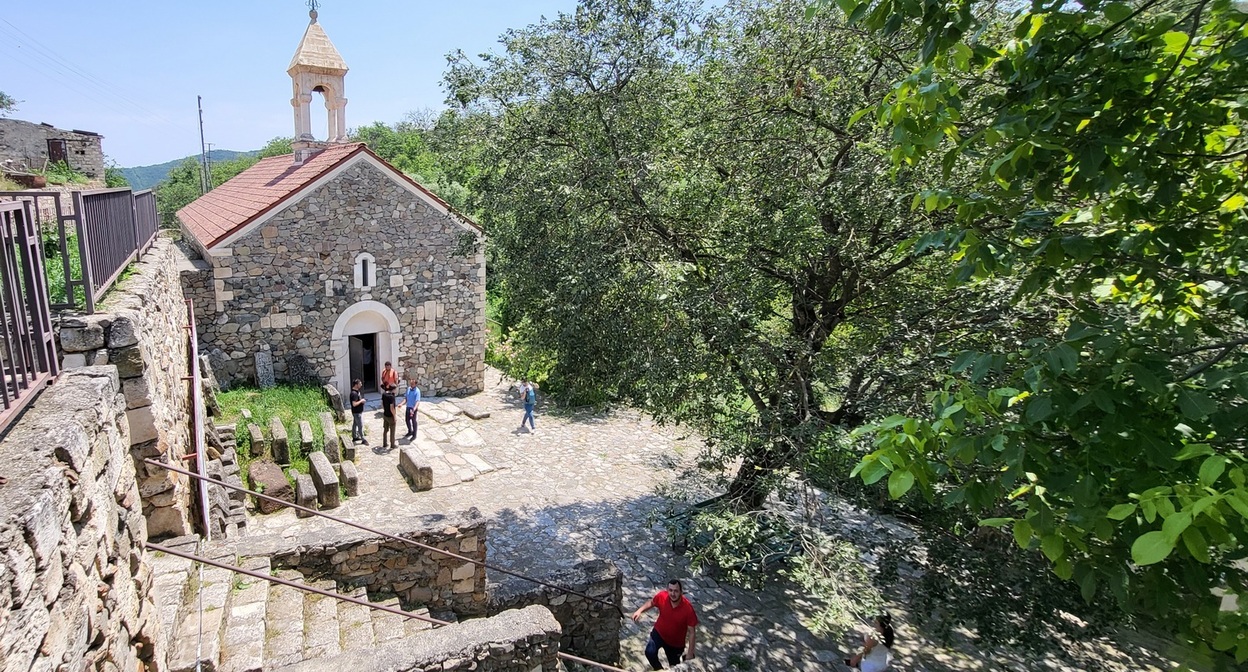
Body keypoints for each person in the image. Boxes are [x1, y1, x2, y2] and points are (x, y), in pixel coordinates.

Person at [631, 579, 698, 670]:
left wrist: (690, 653)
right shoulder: (662, 596)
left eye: (676, 591)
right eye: (670, 590)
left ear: (681, 592)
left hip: (675, 644)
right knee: (649, 652)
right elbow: (652, 602)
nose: (673, 594)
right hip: (659, 633)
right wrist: (639, 611)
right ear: (667, 590)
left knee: (674, 665)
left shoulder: (688, 609)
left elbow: (692, 632)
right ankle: (659, 670)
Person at [381, 383, 398, 450]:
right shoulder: (391, 397)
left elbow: (382, 404)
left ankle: (384, 443)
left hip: (385, 415)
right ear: (393, 389)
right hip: (390, 416)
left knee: (385, 430)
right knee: (392, 431)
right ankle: (392, 445)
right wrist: (394, 416)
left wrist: (385, 410)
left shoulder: (384, 394)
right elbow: (392, 408)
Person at [349, 379, 367, 445]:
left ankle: (354, 437)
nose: (361, 385)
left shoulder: (357, 392)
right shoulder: (354, 394)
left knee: (355, 424)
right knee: (360, 425)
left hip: (357, 412)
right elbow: (354, 404)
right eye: (360, 384)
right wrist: (361, 401)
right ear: (356, 385)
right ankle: (363, 439)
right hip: (357, 412)